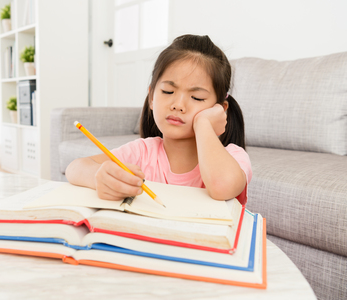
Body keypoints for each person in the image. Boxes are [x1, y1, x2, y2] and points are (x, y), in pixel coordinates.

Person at [66, 34, 252, 205]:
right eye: (168, 92)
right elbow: (74, 168)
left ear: (220, 109)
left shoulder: (234, 157)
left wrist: (203, 124)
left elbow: (222, 186)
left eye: (196, 98)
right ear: (152, 97)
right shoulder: (142, 152)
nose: (178, 105)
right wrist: (98, 176)